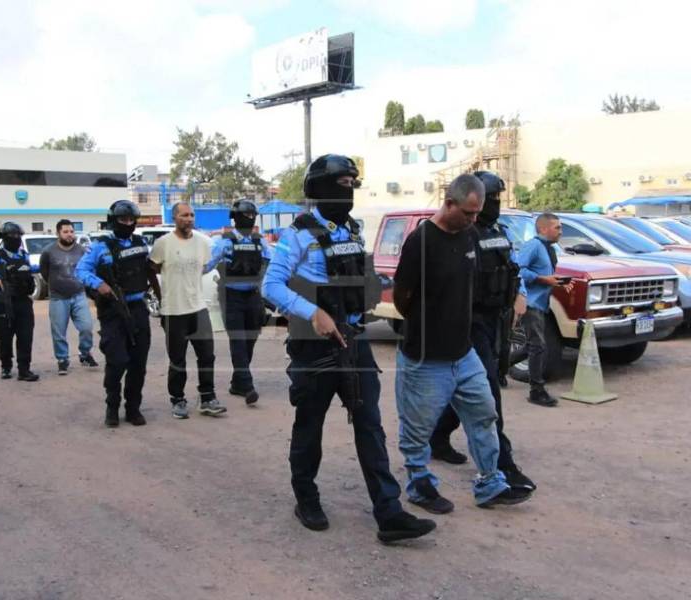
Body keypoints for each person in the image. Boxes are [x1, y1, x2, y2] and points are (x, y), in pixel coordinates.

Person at [263, 154, 436, 544]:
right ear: (320, 188)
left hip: (354, 342)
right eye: (342, 183)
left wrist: (375, 287)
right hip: (315, 347)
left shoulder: (353, 231)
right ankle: (305, 497)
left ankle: (389, 513)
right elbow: (271, 286)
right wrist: (314, 313)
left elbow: (360, 277)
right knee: (310, 425)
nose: (349, 191)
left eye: (352, 184)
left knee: (370, 427)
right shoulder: (298, 235)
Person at [393, 174, 532, 513]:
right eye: (468, 213)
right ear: (448, 202)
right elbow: (401, 298)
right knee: (418, 428)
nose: (473, 220)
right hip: (425, 356)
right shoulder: (421, 241)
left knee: (484, 413)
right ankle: (420, 485)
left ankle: (490, 483)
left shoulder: (470, 235)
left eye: (477, 213)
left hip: (463, 351)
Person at [428, 171, 536, 492]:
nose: (496, 205)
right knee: (488, 393)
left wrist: (521, 296)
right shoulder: (460, 235)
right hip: (470, 324)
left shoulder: (499, 232)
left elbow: (514, 267)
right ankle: (502, 464)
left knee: (475, 386)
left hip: (497, 321)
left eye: (499, 199)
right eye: (492, 199)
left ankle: (437, 436)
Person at [76, 200, 159, 428]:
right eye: (124, 220)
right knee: (117, 361)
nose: (129, 223)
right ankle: (112, 406)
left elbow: (149, 269)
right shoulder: (100, 245)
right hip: (112, 310)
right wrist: (98, 283)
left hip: (138, 308)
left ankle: (133, 408)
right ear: (114, 220)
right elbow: (81, 270)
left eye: (132, 220)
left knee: (138, 363)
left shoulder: (141, 243)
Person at [150, 202, 226, 419]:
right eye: (185, 215)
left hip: (198, 308)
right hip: (174, 311)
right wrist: (160, 296)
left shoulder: (202, 242)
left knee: (207, 356)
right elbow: (151, 269)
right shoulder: (163, 243)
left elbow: (204, 267)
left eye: (192, 215)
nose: (190, 218)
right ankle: (178, 400)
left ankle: (207, 397)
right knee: (178, 359)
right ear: (175, 217)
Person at [206, 199, 272, 405]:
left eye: (253, 216)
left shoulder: (260, 242)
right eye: (246, 216)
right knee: (238, 340)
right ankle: (247, 384)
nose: (249, 219)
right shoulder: (223, 242)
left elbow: (270, 262)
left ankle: (237, 382)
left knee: (250, 339)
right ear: (235, 218)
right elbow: (207, 265)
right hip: (230, 296)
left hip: (253, 296)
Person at [510, 213, 574, 407]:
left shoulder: (549, 249)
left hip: (541, 303)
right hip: (530, 303)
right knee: (538, 346)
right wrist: (544, 280)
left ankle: (497, 367)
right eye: (557, 228)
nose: (561, 232)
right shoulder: (534, 246)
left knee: (533, 346)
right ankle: (536, 390)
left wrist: (557, 283)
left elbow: (545, 274)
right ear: (544, 229)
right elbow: (519, 270)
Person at [0, 222, 40, 382]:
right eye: (12, 236)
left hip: (23, 301)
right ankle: (6, 366)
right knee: (5, 336)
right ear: (4, 238)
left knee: (26, 335)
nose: (16, 239)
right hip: (3, 302)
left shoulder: (23, 255)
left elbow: (31, 269)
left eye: (18, 236)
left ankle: (24, 370)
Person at [40, 219, 98, 375]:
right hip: (58, 298)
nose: (69, 235)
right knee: (59, 332)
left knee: (86, 327)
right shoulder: (48, 251)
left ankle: (85, 354)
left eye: (71, 231)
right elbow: (44, 272)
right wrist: (56, 285)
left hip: (79, 295)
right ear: (58, 233)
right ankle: (62, 359)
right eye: (65, 232)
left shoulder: (82, 250)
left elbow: (89, 270)